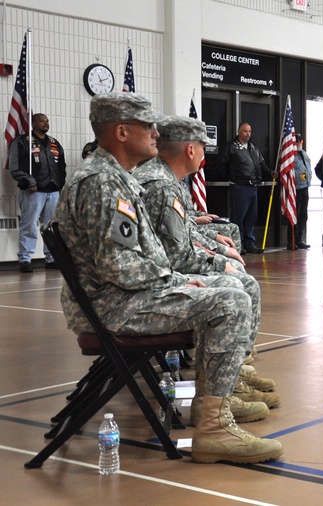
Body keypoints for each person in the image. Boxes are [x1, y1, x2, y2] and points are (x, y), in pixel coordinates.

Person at [54, 92, 281, 464]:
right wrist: (174, 279)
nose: (156, 133)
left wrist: (175, 278)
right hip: (115, 306)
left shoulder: (115, 177)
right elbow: (118, 266)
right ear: (122, 132)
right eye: (148, 125)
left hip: (122, 297)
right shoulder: (101, 183)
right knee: (231, 298)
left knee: (227, 288)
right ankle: (213, 428)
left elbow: (130, 259)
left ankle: (212, 412)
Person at [133, 115, 279, 419]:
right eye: (201, 146)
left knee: (237, 276)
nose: (204, 153)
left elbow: (182, 235)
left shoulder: (165, 178)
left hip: (155, 275)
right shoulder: (160, 185)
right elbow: (178, 256)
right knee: (240, 285)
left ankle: (232, 374)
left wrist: (216, 251)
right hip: (153, 285)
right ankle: (224, 388)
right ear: (189, 150)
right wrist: (220, 262)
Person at [8, 113, 66, 273]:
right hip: (33, 192)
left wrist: (61, 184)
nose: (46, 123)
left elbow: (62, 166)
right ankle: (25, 259)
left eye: (47, 121)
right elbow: (15, 168)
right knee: (29, 226)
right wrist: (29, 181)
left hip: (53, 191)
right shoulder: (21, 142)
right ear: (33, 123)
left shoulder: (54, 143)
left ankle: (51, 258)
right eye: (42, 121)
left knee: (51, 228)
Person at [219, 122, 269, 254]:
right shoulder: (232, 147)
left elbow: (262, 164)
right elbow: (223, 164)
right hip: (239, 186)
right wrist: (230, 178)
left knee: (251, 216)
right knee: (238, 217)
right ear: (239, 132)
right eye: (245, 131)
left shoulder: (253, 147)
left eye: (250, 132)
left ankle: (249, 242)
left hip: (253, 187)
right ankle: (238, 243)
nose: (248, 134)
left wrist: (270, 172)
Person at [288, 134, 312, 249]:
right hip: (295, 189)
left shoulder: (303, 154)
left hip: (305, 188)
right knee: (294, 215)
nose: (299, 143)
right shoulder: (290, 156)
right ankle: (291, 240)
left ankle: (299, 239)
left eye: (300, 140)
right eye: (296, 141)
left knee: (303, 215)